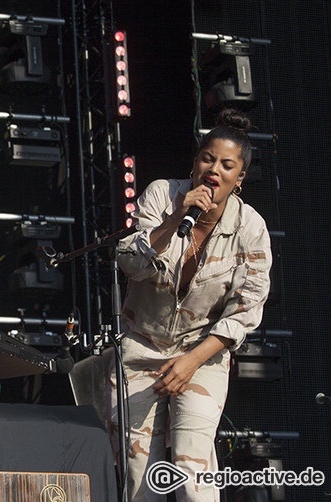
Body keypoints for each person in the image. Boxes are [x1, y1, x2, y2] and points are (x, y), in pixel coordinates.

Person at [108, 108, 271, 501]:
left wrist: (191, 361)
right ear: (195, 163)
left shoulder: (251, 229)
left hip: (202, 354)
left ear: (239, 178)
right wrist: (174, 219)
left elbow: (245, 313)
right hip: (139, 349)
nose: (214, 169)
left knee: (191, 473)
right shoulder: (163, 195)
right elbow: (130, 263)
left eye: (226, 165)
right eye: (207, 158)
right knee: (138, 482)